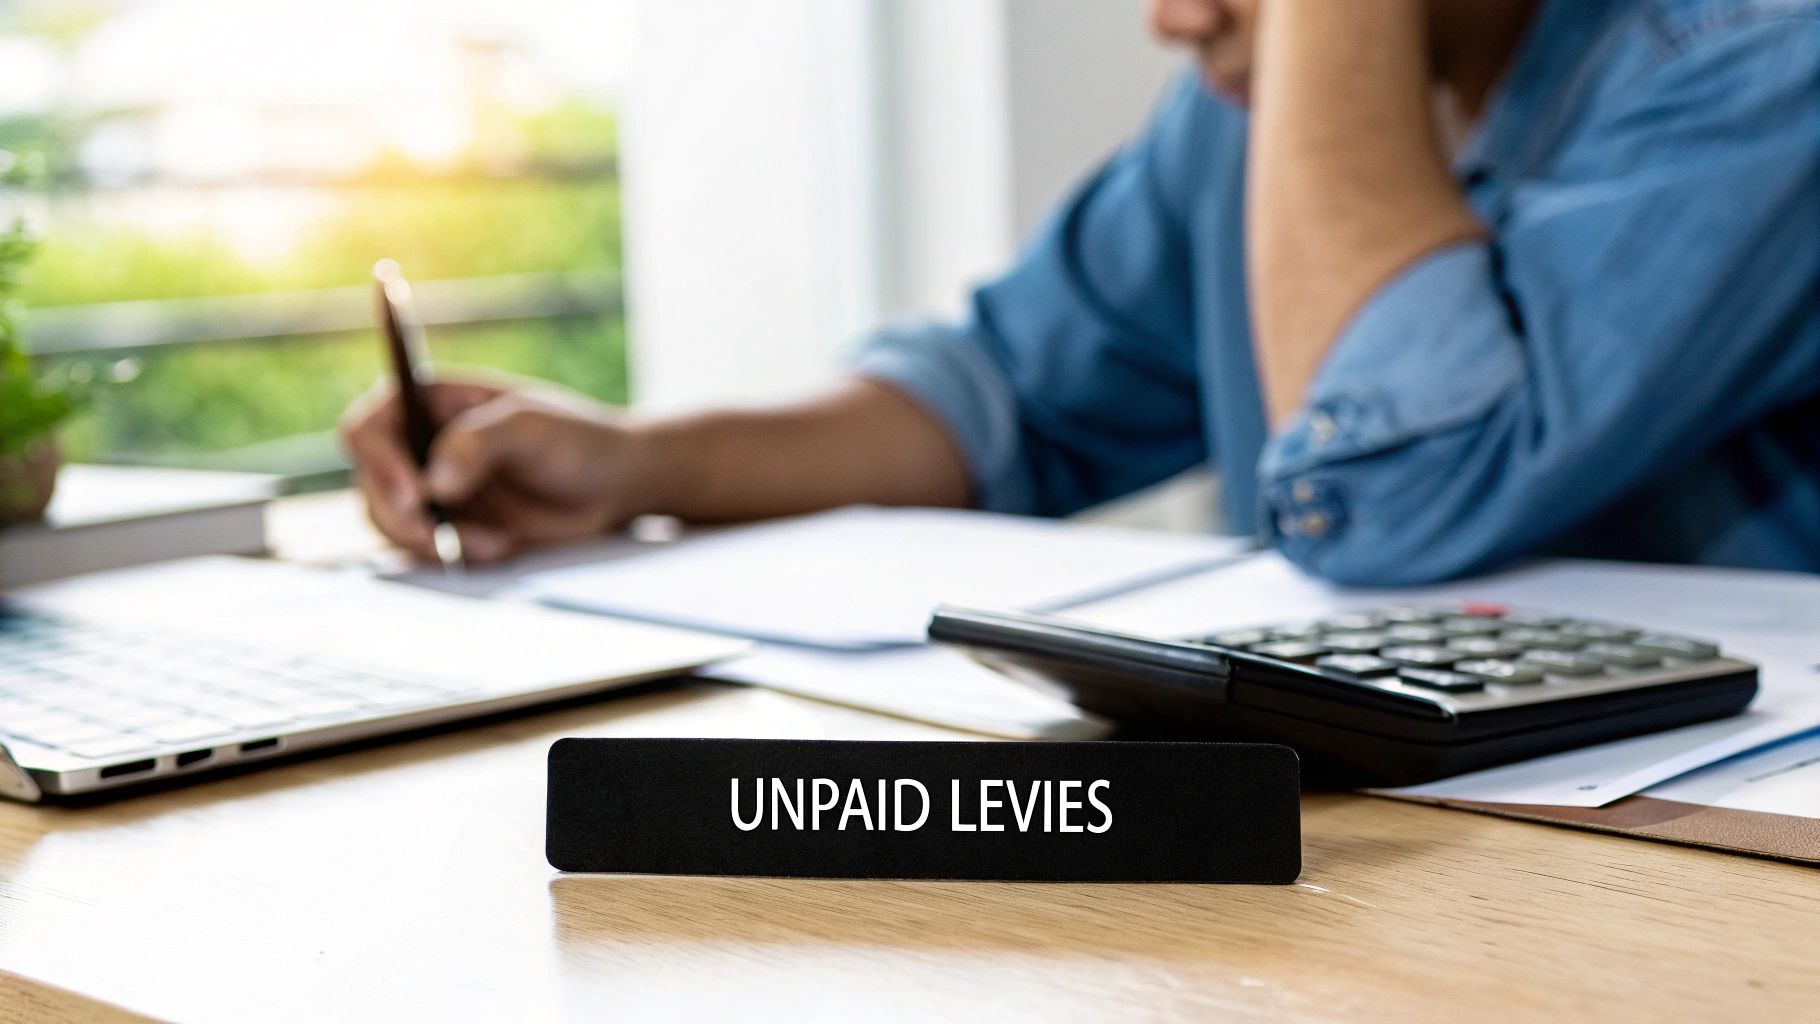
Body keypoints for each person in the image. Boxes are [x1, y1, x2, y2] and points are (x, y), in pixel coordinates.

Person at [341, 0, 1820, 585]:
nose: (1171, 19)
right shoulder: (1236, 117)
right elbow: (1006, 399)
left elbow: (1396, 491)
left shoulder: (1767, 61)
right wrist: (636, 459)